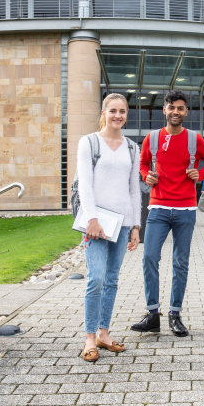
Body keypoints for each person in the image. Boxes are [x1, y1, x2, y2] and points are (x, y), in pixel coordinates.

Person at [132, 90, 204, 336]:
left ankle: (175, 314)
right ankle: (152, 314)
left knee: (180, 262)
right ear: (164, 110)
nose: (175, 112)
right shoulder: (153, 138)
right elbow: (143, 163)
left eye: (180, 108)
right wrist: (146, 175)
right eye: (171, 107)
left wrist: (199, 175)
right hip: (158, 207)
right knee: (149, 257)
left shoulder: (194, 139)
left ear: (186, 111)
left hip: (186, 210)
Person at [77, 93, 141, 362]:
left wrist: (136, 225)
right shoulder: (89, 142)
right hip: (96, 223)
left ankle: (104, 333)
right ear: (103, 112)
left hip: (123, 223)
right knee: (96, 278)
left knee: (112, 280)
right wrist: (91, 219)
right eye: (113, 110)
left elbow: (134, 190)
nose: (118, 115)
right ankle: (89, 337)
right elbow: (85, 184)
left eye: (123, 111)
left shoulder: (131, 147)